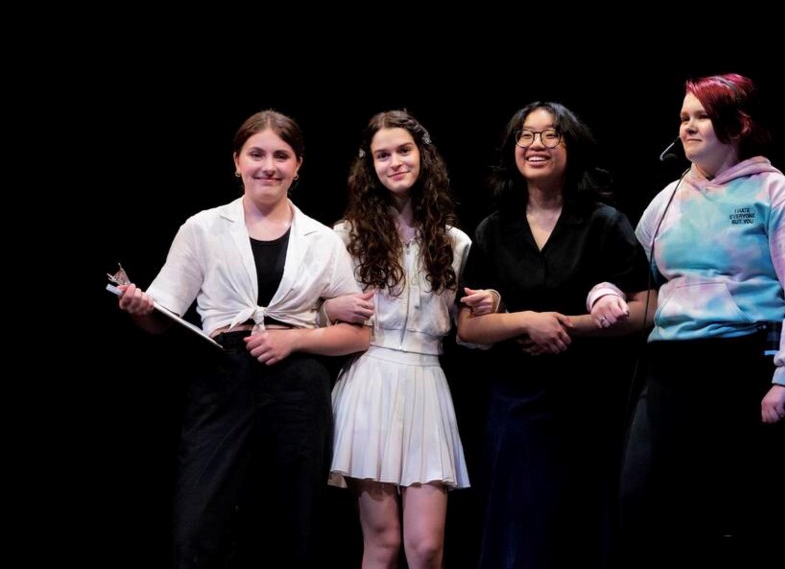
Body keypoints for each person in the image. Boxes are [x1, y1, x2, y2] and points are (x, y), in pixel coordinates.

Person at [115, 110, 370, 567]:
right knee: (200, 524)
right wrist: (139, 309)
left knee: (289, 525)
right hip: (222, 376)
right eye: (256, 154)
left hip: (297, 385)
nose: (267, 166)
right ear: (236, 161)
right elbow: (162, 314)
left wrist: (292, 341)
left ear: (298, 166)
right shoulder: (203, 227)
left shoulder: (323, 239)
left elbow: (358, 334)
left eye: (280, 155)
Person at [613, 73, 785, 543]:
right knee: (643, 503)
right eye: (683, 118)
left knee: (727, 515)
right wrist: (602, 294)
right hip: (669, 367)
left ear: (737, 126)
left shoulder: (775, 193)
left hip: (741, 364)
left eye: (702, 117)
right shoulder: (667, 200)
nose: (688, 127)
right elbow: (628, 277)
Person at [456, 101, 654, 568]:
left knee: (580, 530)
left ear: (573, 147)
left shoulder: (605, 222)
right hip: (515, 406)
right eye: (526, 135)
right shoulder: (493, 229)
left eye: (550, 135)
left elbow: (646, 309)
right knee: (518, 529)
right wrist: (527, 320)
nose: (536, 145)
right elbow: (467, 325)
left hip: (588, 404)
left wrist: (567, 325)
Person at [321, 110, 495, 569]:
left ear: (423, 156)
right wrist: (329, 309)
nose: (395, 161)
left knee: (426, 547)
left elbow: (467, 333)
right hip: (370, 378)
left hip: (426, 381)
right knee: (383, 542)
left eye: (403, 150)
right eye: (383, 155)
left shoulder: (455, 241)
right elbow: (309, 310)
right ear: (370, 165)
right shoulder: (346, 236)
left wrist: (486, 308)